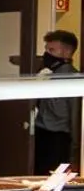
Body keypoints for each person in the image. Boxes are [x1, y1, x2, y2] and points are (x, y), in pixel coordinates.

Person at [34, 30, 80, 174]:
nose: (47, 53)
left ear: (67, 52)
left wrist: (75, 152)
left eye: (52, 50)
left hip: (58, 138)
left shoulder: (71, 78)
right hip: (41, 132)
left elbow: (75, 116)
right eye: (46, 49)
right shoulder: (47, 73)